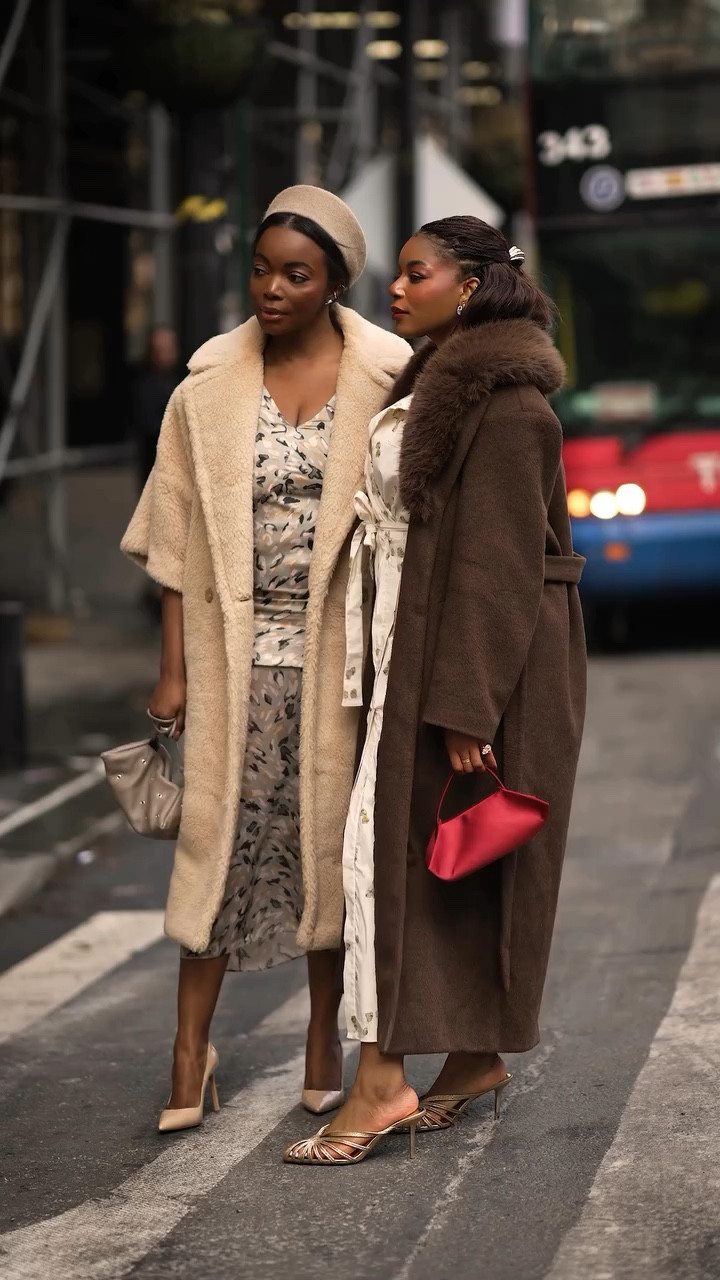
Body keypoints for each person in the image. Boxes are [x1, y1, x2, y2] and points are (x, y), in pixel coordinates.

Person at [284, 216, 586, 1166]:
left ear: (473, 285)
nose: (397, 288)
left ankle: (379, 1082)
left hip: (473, 664)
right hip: (418, 645)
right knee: (439, 860)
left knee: (401, 859)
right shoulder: (449, 385)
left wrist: (464, 707)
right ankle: (469, 1057)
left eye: (418, 274)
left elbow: (499, 570)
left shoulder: (506, 407)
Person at [121, 186, 411, 1132]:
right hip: (230, 653)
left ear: (333, 286)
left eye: (297, 274)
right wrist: (174, 671)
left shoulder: (388, 375)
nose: (273, 289)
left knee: (325, 848)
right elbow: (175, 542)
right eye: (262, 269)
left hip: (340, 657)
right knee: (218, 846)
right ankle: (188, 1052)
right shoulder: (204, 385)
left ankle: (324, 1039)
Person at [130, 326, 180, 492]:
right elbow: (149, 426)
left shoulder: (171, 379)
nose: (167, 353)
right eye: (162, 349)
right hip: (156, 470)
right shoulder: (145, 384)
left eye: (169, 348)